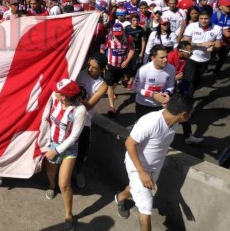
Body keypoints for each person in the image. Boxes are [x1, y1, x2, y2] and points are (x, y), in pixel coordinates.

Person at [114, 94, 194, 231]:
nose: (191, 115)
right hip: (138, 167)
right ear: (184, 114)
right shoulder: (150, 122)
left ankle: (120, 197)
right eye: (191, 113)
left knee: (136, 189)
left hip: (155, 167)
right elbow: (129, 143)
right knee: (146, 209)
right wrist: (142, 172)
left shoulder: (174, 121)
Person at [43, 79, 87, 231]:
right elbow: (45, 117)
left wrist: (55, 151)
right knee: (51, 170)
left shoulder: (80, 110)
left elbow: (74, 137)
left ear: (64, 97)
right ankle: (51, 185)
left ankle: (69, 214)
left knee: (65, 184)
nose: (55, 92)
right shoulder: (54, 100)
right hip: (52, 143)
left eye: (58, 91)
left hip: (69, 149)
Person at [75, 53, 109, 189]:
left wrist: (75, 96)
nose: (89, 69)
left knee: (82, 150)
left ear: (102, 70)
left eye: (94, 68)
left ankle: (78, 172)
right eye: (89, 65)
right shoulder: (79, 72)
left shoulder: (102, 85)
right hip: (69, 118)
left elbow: (89, 105)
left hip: (84, 121)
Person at [182, 10, 223, 93]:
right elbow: (185, 42)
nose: (203, 21)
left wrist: (213, 46)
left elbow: (219, 44)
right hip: (192, 57)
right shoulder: (192, 26)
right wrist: (201, 44)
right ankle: (183, 95)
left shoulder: (217, 28)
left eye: (206, 19)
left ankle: (190, 95)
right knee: (189, 78)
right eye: (201, 18)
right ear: (198, 18)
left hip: (205, 59)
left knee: (197, 80)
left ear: (210, 18)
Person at [132, 45, 175, 119]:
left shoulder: (171, 68)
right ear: (153, 58)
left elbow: (171, 85)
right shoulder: (143, 70)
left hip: (159, 106)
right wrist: (153, 95)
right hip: (143, 104)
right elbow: (135, 88)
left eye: (166, 57)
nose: (165, 60)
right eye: (162, 58)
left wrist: (166, 94)